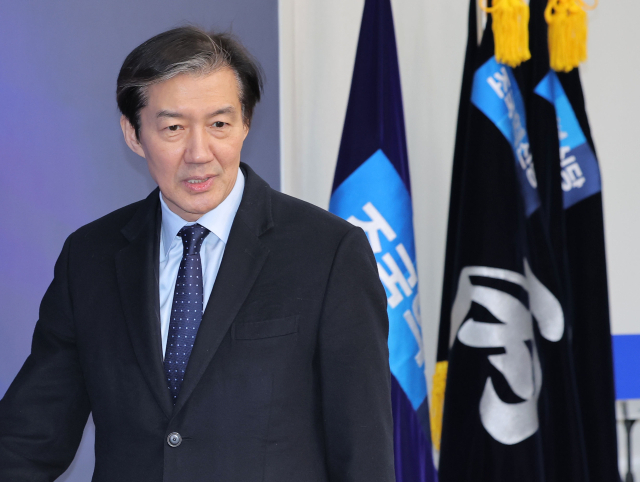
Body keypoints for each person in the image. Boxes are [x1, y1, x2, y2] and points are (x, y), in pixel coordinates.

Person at [0, 26, 394, 481]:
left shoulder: (328, 253)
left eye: (219, 124)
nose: (199, 153)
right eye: (173, 128)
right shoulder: (90, 257)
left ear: (245, 123)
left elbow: (363, 453)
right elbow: (30, 438)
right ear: (133, 133)